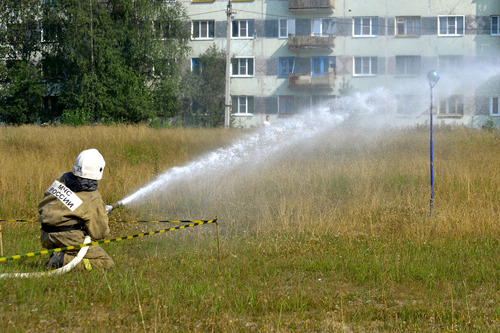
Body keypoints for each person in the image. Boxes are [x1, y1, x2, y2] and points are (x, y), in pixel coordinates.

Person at [38, 148, 114, 271]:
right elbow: (99, 234)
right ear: (100, 169)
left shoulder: (61, 178)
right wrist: (100, 215)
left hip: (46, 235)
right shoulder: (94, 197)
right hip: (68, 239)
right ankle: (63, 260)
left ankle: (60, 256)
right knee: (106, 263)